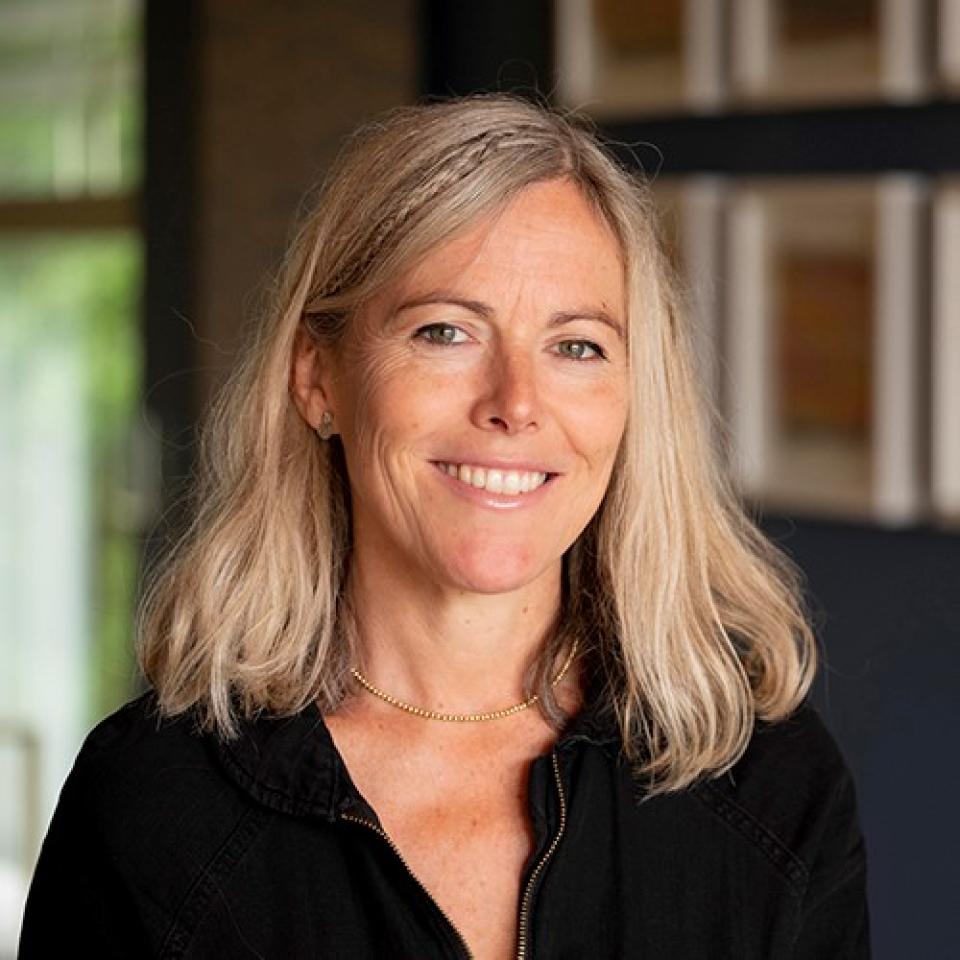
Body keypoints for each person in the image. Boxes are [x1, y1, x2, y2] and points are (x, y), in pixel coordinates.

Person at [19, 94, 869, 959]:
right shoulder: (154, 808)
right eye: (445, 331)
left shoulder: (770, 784)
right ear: (319, 380)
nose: (515, 404)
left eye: (576, 346)